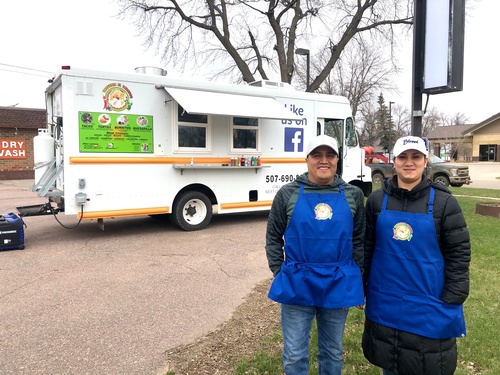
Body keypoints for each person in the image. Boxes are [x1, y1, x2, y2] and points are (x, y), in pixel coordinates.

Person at [362, 136, 471, 375]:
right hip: (386, 301)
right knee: (390, 364)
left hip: (428, 301)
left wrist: (454, 293)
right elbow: (366, 248)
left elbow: (458, 253)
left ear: (425, 162)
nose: (408, 163)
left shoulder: (444, 203)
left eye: (415, 157)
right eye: (403, 157)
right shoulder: (377, 201)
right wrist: (360, 286)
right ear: (394, 162)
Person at [265, 134, 365, 375]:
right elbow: (272, 237)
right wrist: (280, 272)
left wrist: (357, 278)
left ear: (337, 160)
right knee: (295, 354)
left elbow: (360, 241)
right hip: (298, 282)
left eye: (329, 155)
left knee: (332, 352)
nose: (324, 161)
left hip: (338, 282)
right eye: (317, 155)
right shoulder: (288, 194)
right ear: (307, 159)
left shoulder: (353, 195)